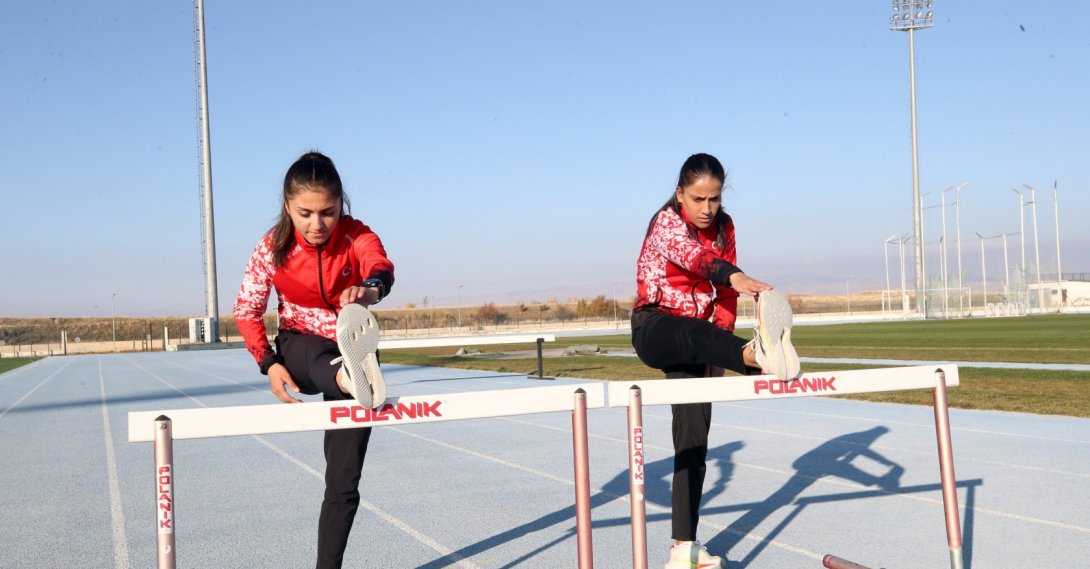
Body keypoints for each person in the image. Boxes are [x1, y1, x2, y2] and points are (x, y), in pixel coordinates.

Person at [630, 152, 800, 569]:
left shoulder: (725, 226)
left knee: (693, 437)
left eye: (715, 199)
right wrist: (735, 276)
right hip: (655, 326)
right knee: (693, 329)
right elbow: (695, 260)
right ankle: (755, 354)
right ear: (680, 194)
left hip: (701, 338)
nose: (707, 209)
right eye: (698, 199)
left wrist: (720, 343)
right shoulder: (665, 222)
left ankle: (683, 548)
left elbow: (722, 300)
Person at [233, 151, 394, 569]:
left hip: (351, 340)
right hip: (299, 348)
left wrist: (369, 290)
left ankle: (328, 568)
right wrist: (267, 363)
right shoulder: (272, 247)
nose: (317, 224)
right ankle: (347, 377)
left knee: (343, 483)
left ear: (342, 204)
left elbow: (379, 265)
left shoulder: (355, 235)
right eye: (305, 213)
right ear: (287, 205)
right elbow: (246, 309)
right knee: (321, 355)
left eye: (328, 212)